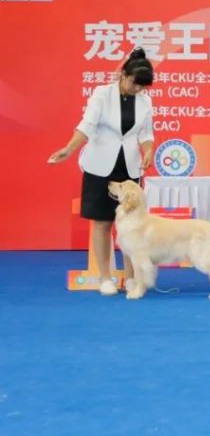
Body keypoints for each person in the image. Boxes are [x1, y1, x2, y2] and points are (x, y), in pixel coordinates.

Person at [48, 48, 155, 295]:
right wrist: (68, 149)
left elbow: (146, 133)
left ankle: (131, 278)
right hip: (100, 165)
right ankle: (105, 278)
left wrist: (148, 150)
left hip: (129, 166)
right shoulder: (101, 94)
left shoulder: (145, 101)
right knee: (102, 222)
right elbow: (87, 126)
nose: (138, 89)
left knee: (132, 223)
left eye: (142, 86)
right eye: (134, 83)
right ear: (123, 75)